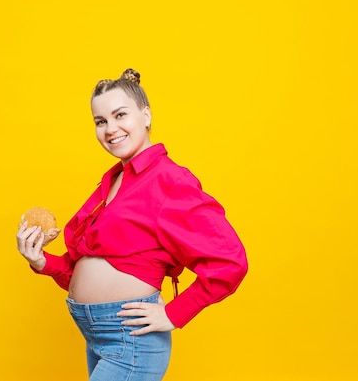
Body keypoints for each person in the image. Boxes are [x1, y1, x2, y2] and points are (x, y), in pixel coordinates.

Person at [16, 68, 248, 381]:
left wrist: (173, 314)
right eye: (101, 121)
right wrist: (42, 261)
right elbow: (90, 266)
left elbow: (230, 261)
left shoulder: (169, 180)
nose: (110, 129)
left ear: (146, 116)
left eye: (120, 115)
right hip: (97, 337)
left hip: (131, 340)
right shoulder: (112, 181)